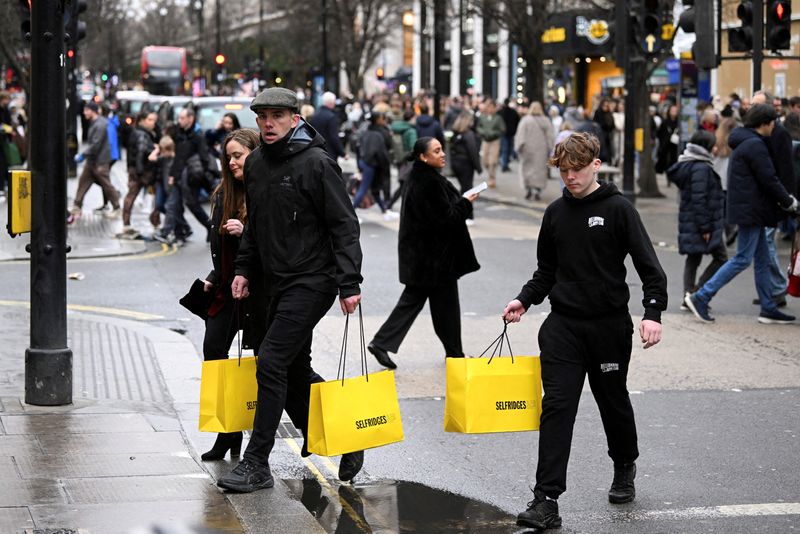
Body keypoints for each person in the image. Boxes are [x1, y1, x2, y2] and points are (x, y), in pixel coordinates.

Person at [502, 132, 667, 531]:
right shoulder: (556, 213)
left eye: (576, 169)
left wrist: (652, 313)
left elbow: (650, 267)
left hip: (608, 326)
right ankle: (546, 500)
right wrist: (524, 300)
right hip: (563, 327)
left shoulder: (619, 210)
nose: (569, 177)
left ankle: (624, 463)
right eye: (563, 170)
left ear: (596, 164)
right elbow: (547, 271)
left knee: (612, 401)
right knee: (557, 407)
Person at [217, 87, 364, 493]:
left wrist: (349, 281)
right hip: (275, 282)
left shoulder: (317, 163)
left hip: (313, 281)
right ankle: (345, 438)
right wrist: (244, 269)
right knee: (294, 370)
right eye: (262, 116)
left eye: (277, 116)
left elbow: (344, 225)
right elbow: (257, 225)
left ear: (295, 119)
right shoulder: (260, 164)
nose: (268, 123)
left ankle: (257, 462)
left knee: (271, 361)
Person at [367, 137, 480, 369]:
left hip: (425, 257)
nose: (442, 154)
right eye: (436, 151)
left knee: (436, 305)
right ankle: (453, 354)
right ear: (423, 157)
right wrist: (466, 202)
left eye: (441, 150)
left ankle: (451, 352)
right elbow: (445, 219)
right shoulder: (428, 182)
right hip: (433, 259)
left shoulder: (422, 177)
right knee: (442, 306)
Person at [685, 104, 799, 325]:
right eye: (772, 122)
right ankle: (701, 296)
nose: (774, 126)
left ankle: (768, 307)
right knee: (742, 258)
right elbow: (769, 179)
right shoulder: (755, 145)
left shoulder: (745, 141)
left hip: (749, 209)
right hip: (752, 211)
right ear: (763, 124)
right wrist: (789, 201)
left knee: (763, 260)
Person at [200, 128, 267, 461]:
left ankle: (253, 432)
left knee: (269, 365)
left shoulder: (264, 191)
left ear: (254, 153)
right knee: (213, 351)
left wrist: (246, 233)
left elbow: (272, 249)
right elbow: (220, 248)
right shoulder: (223, 194)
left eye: (238, 155)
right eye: (228, 156)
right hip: (226, 291)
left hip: (256, 293)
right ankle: (227, 433)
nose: (232, 161)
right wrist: (214, 277)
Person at [667, 130, 727, 299]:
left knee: (694, 257)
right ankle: (696, 293)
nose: (715, 148)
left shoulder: (692, 163)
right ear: (706, 147)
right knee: (721, 258)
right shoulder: (700, 167)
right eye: (713, 145)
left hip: (692, 220)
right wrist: (705, 228)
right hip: (700, 222)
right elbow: (699, 200)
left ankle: (689, 295)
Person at [750, 91, 797, 308]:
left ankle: (776, 288)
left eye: (756, 105)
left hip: (775, 198)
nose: (752, 108)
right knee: (762, 246)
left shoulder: (779, 134)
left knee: (764, 245)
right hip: (766, 198)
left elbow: (785, 169)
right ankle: (772, 289)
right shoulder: (757, 133)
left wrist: (786, 199)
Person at [70, 102, 121, 220]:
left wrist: (82, 154)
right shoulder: (97, 123)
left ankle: (117, 208)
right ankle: (77, 206)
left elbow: (96, 144)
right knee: (83, 182)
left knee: (106, 185)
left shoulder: (100, 125)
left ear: (92, 111)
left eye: (86, 110)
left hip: (100, 161)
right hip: (93, 160)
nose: (84, 113)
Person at [170, 107, 211, 241]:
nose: (179, 121)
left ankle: (209, 225)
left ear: (190, 118)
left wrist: (200, 175)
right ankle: (179, 232)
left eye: (182, 118)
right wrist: (172, 174)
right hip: (178, 175)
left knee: (192, 204)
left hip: (192, 176)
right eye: (179, 118)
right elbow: (177, 157)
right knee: (175, 205)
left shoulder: (197, 136)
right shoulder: (178, 133)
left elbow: (204, 158)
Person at [120, 111, 159, 239]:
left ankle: (127, 224)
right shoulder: (142, 134)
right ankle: (155, 223)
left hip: (137, 170)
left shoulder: (139, 132)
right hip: (142, 171)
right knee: (137, 196)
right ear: (142, 120)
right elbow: (141, 152)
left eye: (154, 120)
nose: (153, 123)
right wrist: (140, 172)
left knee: (132, 196)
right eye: (150, 120)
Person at [353, 111, 397, 220]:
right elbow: (381, 152)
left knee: (374, 190)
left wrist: (359, 163)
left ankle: (385, 210)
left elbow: (358, 148)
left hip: (365, 162)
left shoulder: (366, 132)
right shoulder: (377, 135)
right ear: (378, 120)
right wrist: (385, 165)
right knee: (363, 189)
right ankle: (350, 213)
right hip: (371, 164)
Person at [515, 101, 554, 201]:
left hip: (527, 149)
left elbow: (520, 136)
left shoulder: (525, 120)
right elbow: (550, 137)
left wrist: (519, 148)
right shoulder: (546, 121)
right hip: (542, 150)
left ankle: (528, 189)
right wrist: (550, 148)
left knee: (526, 169)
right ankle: (537, 190)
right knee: (540, 170)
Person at [449, 111, 482, 222]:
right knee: (468, 190)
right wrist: (478, 167)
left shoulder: (455, 133)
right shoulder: (469, 134)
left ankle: (457, 210)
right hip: (466, 165)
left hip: (456, 163)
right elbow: (473, 152)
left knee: (464, 188)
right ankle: (468, 216)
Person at [476, 98, 506, 188]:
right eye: (488, 107)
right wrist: (483, 132)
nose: (490, 109)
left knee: (493, 161)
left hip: (495, 141)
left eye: (491, 107)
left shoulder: (498, 118)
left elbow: (502, 129)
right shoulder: (482, 117)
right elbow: (478, 127)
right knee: (484, 161)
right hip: (485, 140)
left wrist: (494, 133)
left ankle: (492, 178)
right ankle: (490, 174)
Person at [310, 91, 346, 159]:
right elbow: (334, 137)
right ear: (331, 102)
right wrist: (342, 153)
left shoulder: (315, 115)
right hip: (329, 154)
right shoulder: (331, 117)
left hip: (316, 152)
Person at [655, 104, 680, 175]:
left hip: (675, 145)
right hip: (666, 145)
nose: (674, 112)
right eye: (672, 110)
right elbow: (660, 133)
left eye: (676, 110)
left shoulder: (679, 122)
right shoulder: (665, 122)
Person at [498, 98, 520, 172]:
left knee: (505, 149)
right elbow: (517, 121)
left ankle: (505, 164)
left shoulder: (501, 112)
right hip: (510, 133)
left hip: (506, 133)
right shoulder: (513, 112)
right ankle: (505, 164)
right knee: (507, 149)